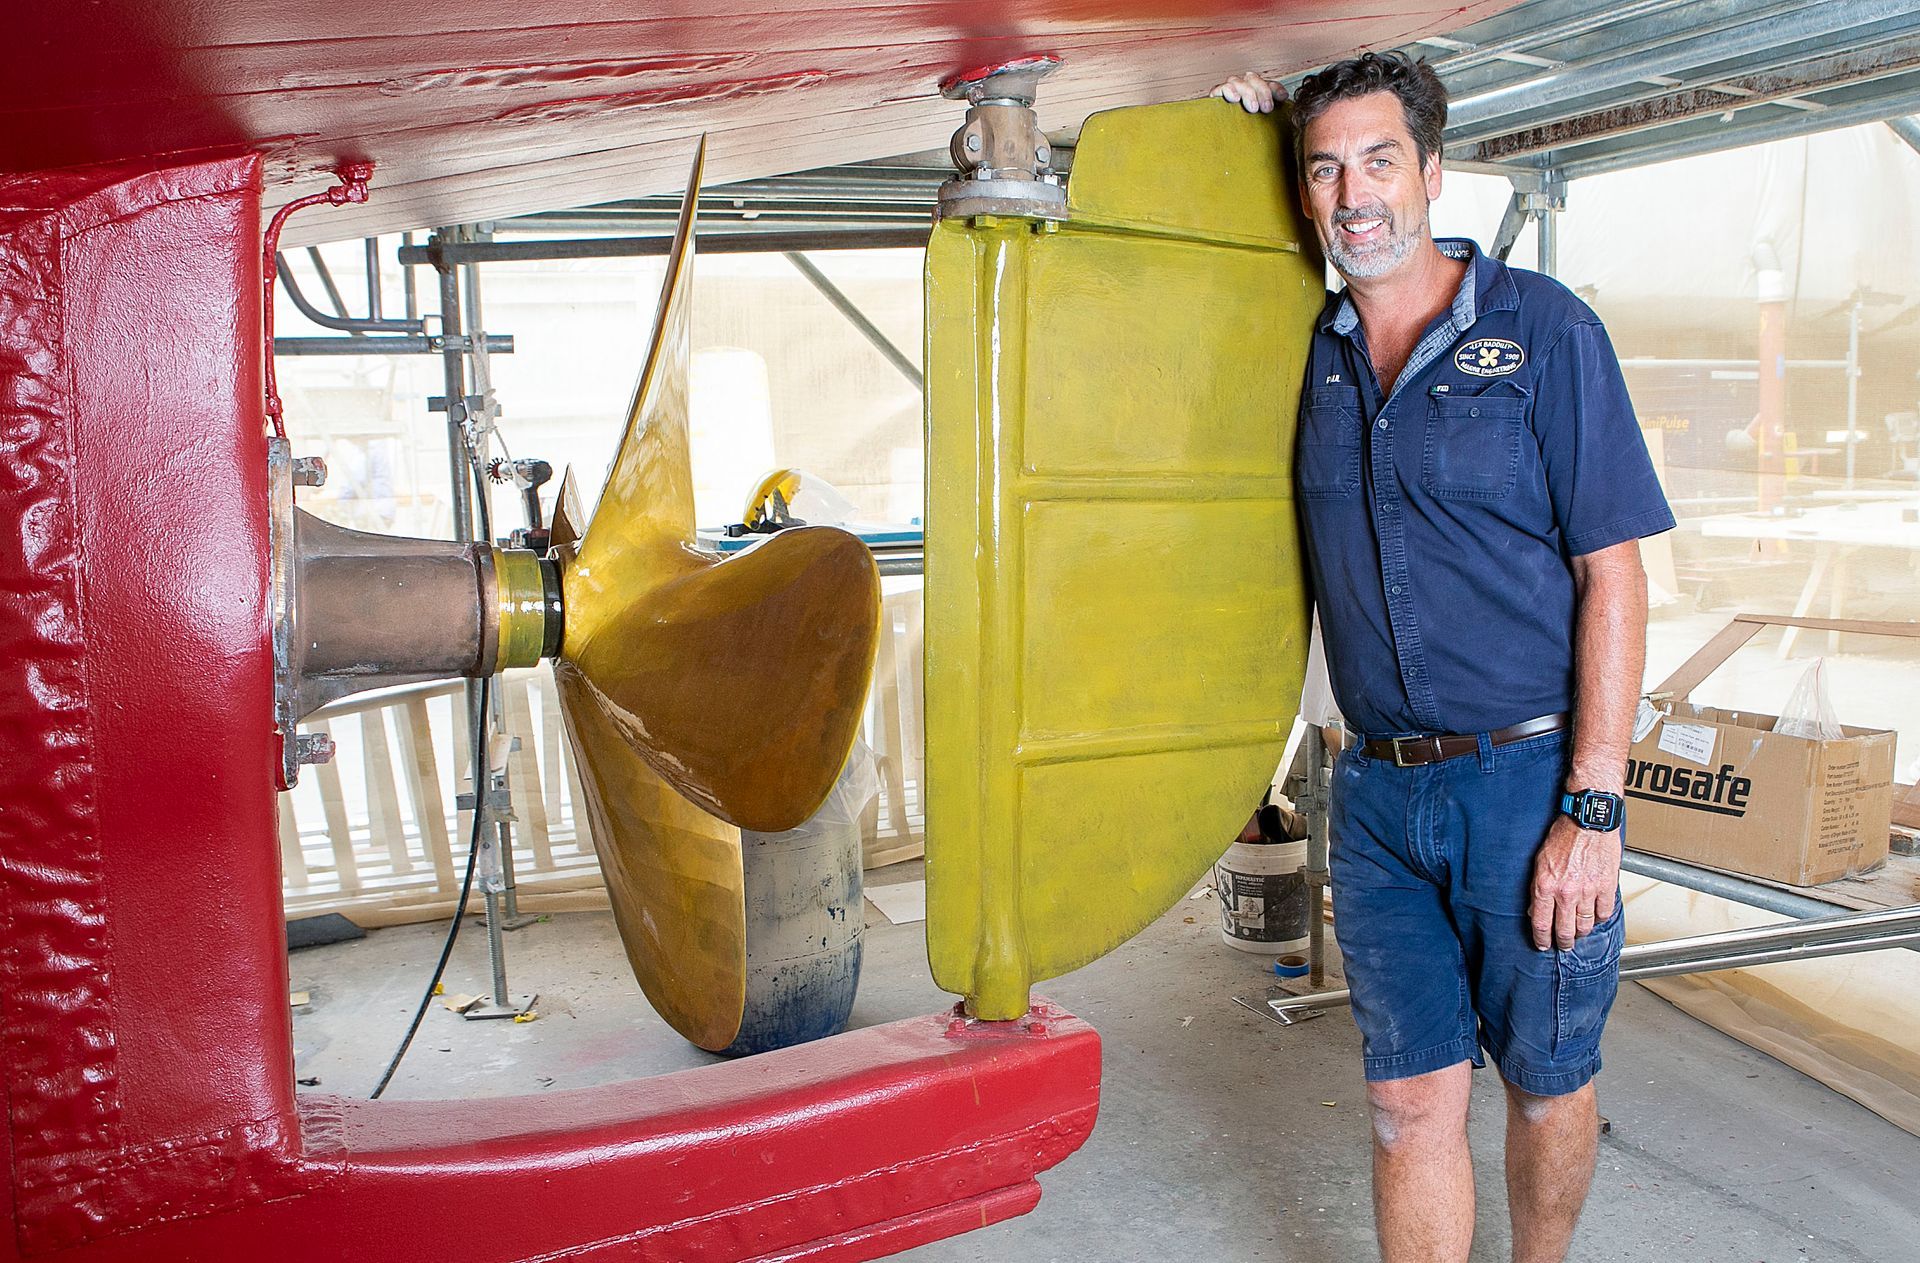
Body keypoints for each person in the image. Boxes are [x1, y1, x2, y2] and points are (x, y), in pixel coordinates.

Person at [1215, 54, 1674, 1263]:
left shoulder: (1543, 332)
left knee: (1545, 1081)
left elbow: (1613, 574)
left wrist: (1596, 804)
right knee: (1407, 1102)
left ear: (1430, 169)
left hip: (1528, 788)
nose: (1353, 193)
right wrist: (1222, 122)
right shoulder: (1301, 355)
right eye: (1324, 169)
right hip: (1371, 794)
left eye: (1377, 161)